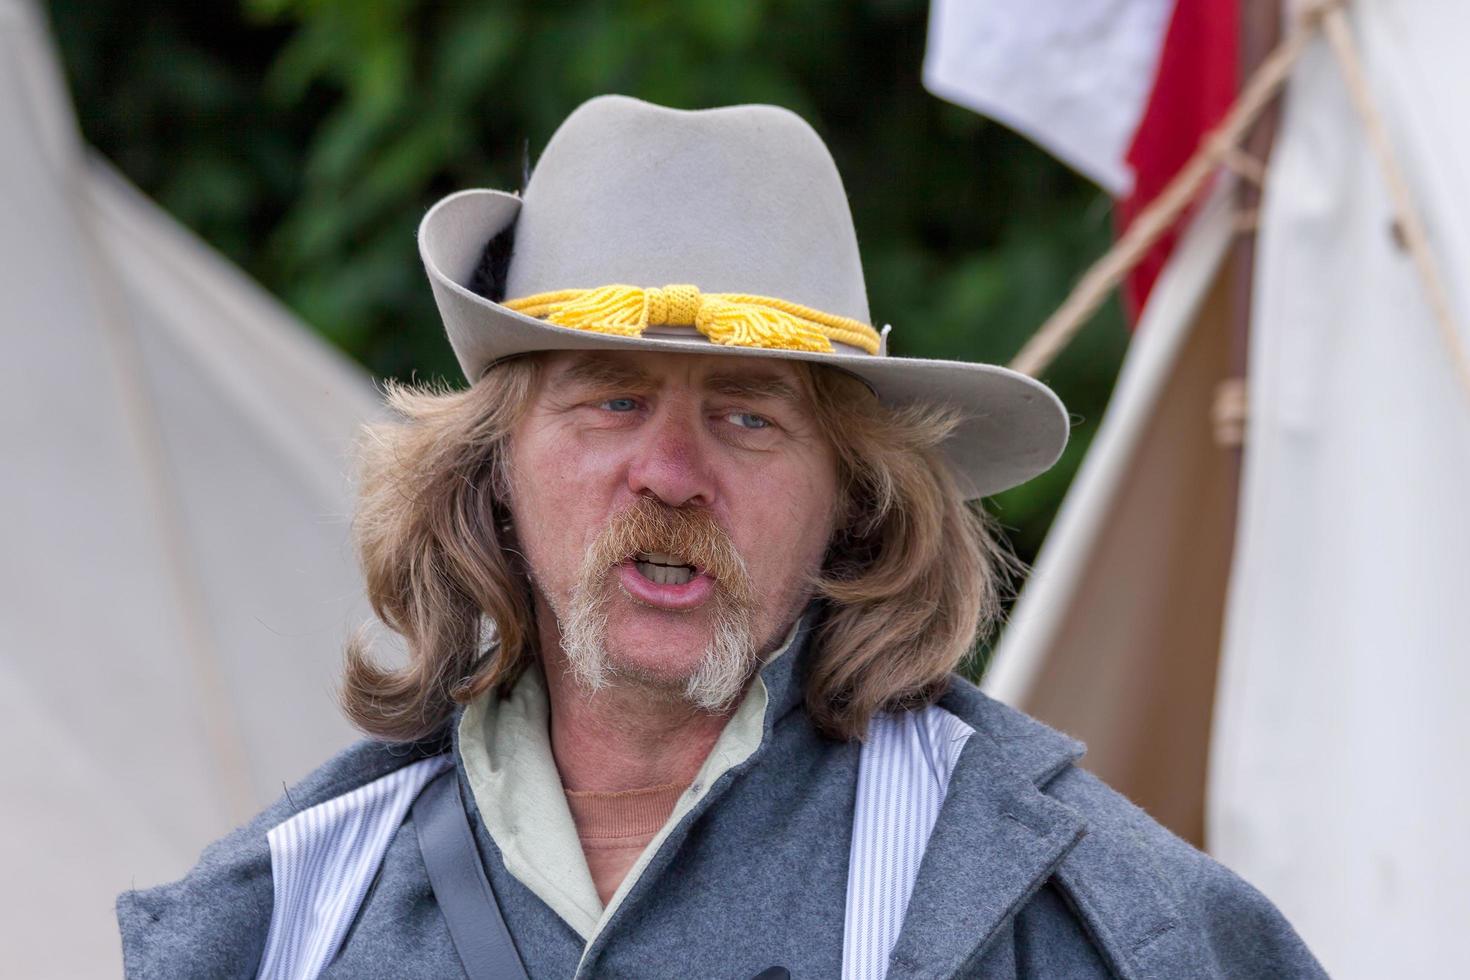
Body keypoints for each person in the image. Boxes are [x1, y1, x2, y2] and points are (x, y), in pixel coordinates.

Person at [117, 95, 1324, 979]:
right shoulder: (279, 927)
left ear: (855, 496)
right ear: (492, 468)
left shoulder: (1083, 915)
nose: (672, 474)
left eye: (748, 414)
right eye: (611, 398)